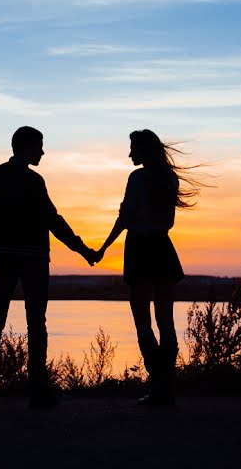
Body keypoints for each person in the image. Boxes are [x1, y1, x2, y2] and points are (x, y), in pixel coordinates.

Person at [0, 126, 97, 408]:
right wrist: (83, 250)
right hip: (33, 259)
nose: (42, 152)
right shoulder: (33, 181)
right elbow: (52, 220)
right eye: (39, 146)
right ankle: (38, 392)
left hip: (5, 256)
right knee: (36, 324)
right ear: (25, 147)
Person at [95, 129, 198, 405]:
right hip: (163, 248)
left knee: (143, 321)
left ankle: (159, 386)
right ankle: (167, 387)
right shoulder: (169, 178)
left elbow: (125, 217)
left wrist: (104, 248)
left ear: (143, 150)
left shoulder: (137, 178)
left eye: (133, 149)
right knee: (166, 320)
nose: (130, 154)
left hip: (140, 249)